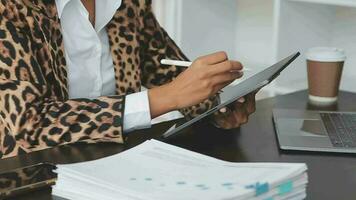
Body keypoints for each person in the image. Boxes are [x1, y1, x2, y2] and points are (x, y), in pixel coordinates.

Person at [0, 0, 257, 159]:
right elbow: (30, 123)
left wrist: (217, 103)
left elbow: (167, 69)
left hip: (119, 163)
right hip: (29, 173)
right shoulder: (10, 8)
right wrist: (164, 97)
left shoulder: (128, 4)